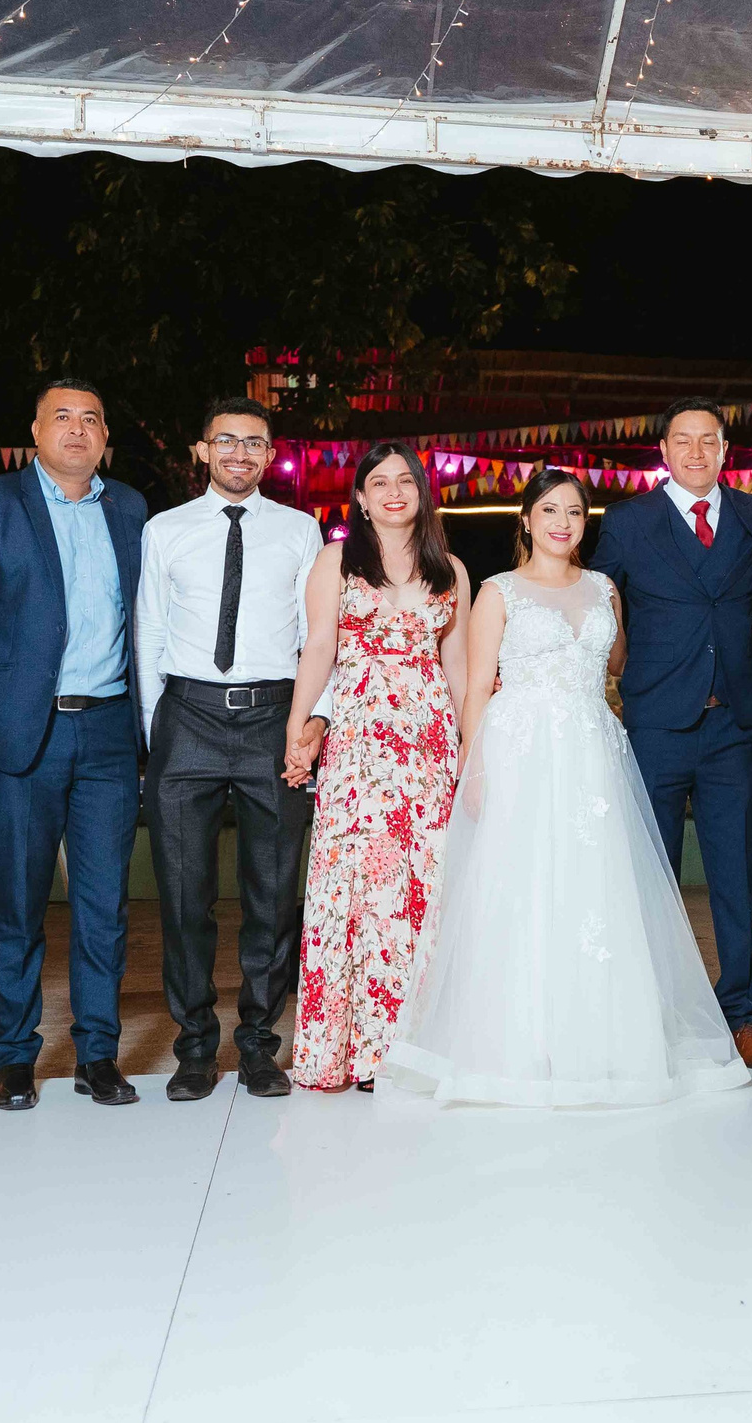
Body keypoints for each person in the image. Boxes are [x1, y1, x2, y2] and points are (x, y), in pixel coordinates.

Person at [383, 471, 751, 1107]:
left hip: (592, 751)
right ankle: (520, 1046)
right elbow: (476, 687)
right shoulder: (498, 591)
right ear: (526, 520)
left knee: (597, 888)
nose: (562, 522)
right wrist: (476, 766)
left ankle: (601, 1042)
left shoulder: (604, 588)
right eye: (549, 510)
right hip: (522, 749)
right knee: (524, 887)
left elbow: (618, 662)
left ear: (586, 523)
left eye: (575, 512)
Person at [0, 379, 147, 1113]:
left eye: (92, 418)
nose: (77, 429)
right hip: (23, 734)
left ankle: (98, 1055)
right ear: (35, 430)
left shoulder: (130, 508)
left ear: (105, 436)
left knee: (104, 905)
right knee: (19, 905)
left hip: (110, 732)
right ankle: (16, 1057)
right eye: (63, 417)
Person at [135, 397, 325, 1101]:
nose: (239, 453)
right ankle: (193, 1048)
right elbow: (149, 631)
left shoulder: (301, 531)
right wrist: (156, 732)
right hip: (186, 716)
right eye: (226, 440)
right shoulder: (165, 530)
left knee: (271, 894)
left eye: (254, 442)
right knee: (184, 896)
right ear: (203, 449)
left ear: (270, 455)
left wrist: (314, 719)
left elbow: (318, 635)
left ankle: (258, 1046)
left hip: (274, 718)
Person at [588, 398, 752, 1071]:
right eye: (683, 440)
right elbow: (601, 602)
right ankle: (654, 1019)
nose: (696, 452)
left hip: (733, 724)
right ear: (664, 451)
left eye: (709, 440)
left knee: (735, 878)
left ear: (726, 450)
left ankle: (741, 1018)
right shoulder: (628, 521)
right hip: (656, 721)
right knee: (653, 877)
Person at [282, 443, 469, 1092]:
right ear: (360, 497)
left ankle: (422, 1049)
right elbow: (319, 648)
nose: (393, 491)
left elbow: (458, 666)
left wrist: (471, 748)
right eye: (379, 482)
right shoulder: (337, 561)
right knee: (365, 889)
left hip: (429, 748)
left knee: (427, 888)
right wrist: (298, 726)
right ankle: (365, 1052)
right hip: (362, 748)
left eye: (405, 481)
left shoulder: (450, 569)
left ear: (422, 492)